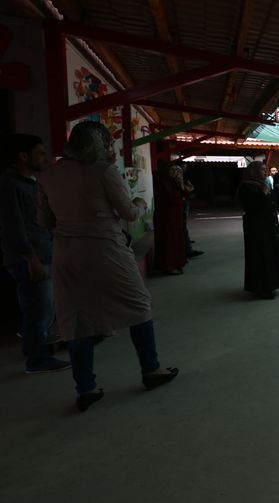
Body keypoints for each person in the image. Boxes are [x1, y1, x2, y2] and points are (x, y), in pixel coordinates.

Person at [38, 121, 178, 411]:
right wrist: (140, 202)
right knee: (139, 306)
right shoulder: (102, 171)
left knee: (76, 320)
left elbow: (44, 221)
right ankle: (151, 370)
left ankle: (86, 388)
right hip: (105, 247)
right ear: (99, 143)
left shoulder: (49, 175)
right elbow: (127, 211)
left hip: (66, 251)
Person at [0, 134, 70, 374]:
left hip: (42, 253)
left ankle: (36, 351)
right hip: (31, 258)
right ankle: (36, 360)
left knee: (43, 309)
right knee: (38, 311)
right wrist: (30, 258)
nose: (45, 157)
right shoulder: (9, 185)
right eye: (40, 152)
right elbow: (13, 227)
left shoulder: (30, 181)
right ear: (23, 156)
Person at [238, 161, 279, 299]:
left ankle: (269, 285)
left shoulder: (260, 184)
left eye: (263, 169)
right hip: (257, 227)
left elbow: (272, 204)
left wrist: (277, 191)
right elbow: (254, 207)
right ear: (253, 171)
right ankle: (261, 287)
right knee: (260, 255)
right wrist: (267, 193)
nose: (263, 172)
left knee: (270, 254)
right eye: (260, 170)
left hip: (267, 226)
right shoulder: (247, 187)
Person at [153, 164, 188, 274]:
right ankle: (169, 266)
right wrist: (183, 198)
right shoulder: (165, 184)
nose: (179, 175)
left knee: (174, 239)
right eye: (177, 173)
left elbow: (182, 195)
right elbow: (173, 200)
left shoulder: (171, 183)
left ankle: (174, 263)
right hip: (167, 217)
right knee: (169, 241)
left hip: (172, 217)